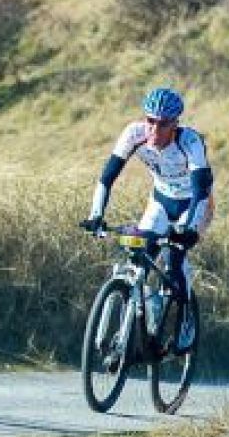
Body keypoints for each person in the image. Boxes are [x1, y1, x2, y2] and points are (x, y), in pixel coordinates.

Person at [80, 87, 213, 353]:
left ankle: (185, 318)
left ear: (175, 124)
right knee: (143, 254)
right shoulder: (134, 133)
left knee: (176, 259)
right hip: (161, 201)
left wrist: (189, 230)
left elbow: (201, 190)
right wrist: (96, 215)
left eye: (163, 124)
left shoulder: (190, 142)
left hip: (195, 204)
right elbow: (107, 177)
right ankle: (148, 307)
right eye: (150, 121)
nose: (155, 129)